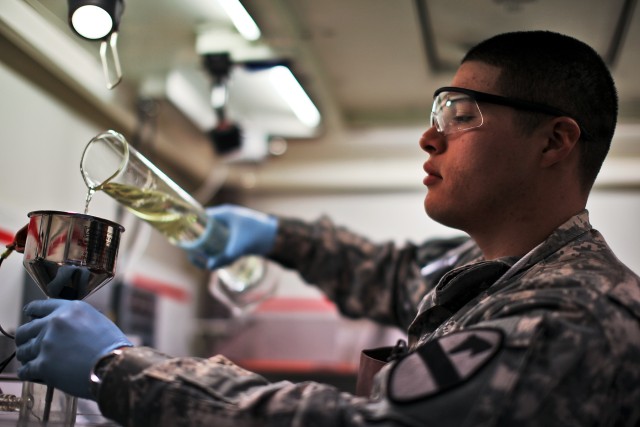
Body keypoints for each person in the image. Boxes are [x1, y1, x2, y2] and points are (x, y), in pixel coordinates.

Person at [14, 30, 640, 426]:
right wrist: (268, 235)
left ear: (555, 141)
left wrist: (119, 367)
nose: (429, 137)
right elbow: (390, 272)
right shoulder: (493, 274)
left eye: (461, 113)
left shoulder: (574, 315)